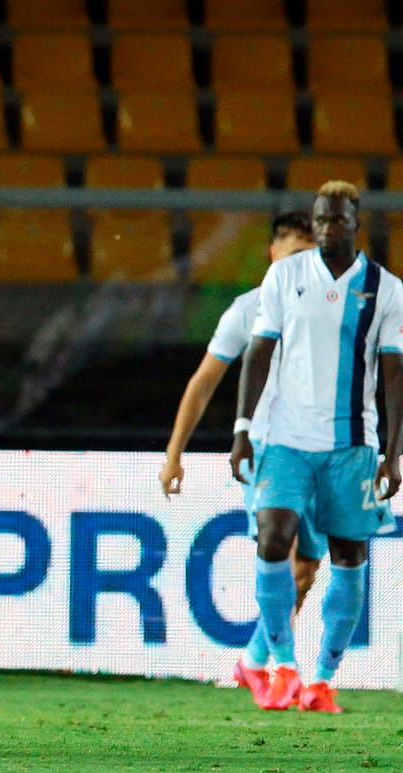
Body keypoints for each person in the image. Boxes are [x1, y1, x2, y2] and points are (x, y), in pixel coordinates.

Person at [230, 181, 403, 713]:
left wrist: (393, 454)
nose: (329, 229)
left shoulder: (386, 289)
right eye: (321, 220)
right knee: (272, 536)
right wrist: (241, 427)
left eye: (338, 220)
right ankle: (282, 667)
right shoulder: (284, 276)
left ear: (357, 223)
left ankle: (324, 678)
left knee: (348, 558)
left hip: (352, 445)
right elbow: (259, 352)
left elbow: (394, 374)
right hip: (285, 439)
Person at [158, 212, 323, 705]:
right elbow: (204, 382)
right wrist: (174, 455)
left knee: (306, 571)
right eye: (294, 255)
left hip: (321, 449)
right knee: (283, 553)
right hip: (269, 450)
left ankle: (251, 662)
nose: (302, 266)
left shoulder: (330, 315)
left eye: (310, 257)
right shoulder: (247, 311)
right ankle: (283, 672)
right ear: (273, 255)